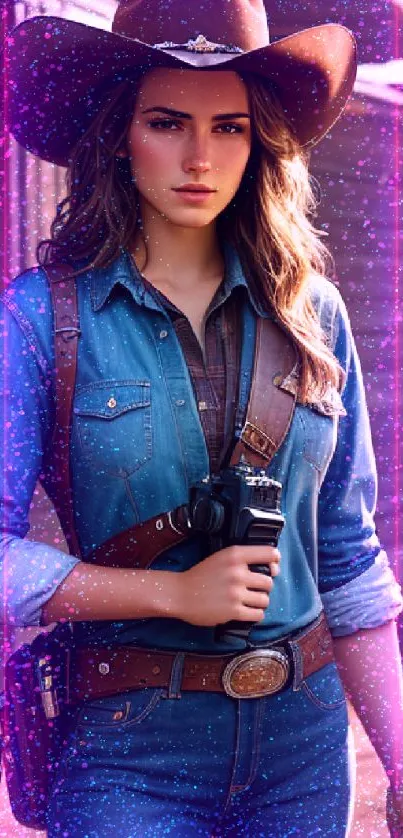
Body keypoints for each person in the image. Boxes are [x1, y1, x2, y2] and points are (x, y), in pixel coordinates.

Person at [2, 1, 403, 835]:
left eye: (229, 127)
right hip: (126, 751)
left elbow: (347, 554)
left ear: (260, 144)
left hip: (303, 749)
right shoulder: (38, 322)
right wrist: (166, 591)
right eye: (166, 122)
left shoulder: (312, 314)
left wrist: (399, 761)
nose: (199, 157)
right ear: (119, 132)